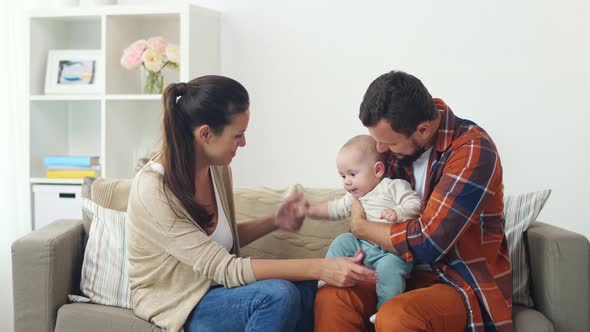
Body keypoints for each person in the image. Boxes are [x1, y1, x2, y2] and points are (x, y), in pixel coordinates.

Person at [125, 75, 378, 332]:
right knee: (277, 294)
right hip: (178, 302)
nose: (243, 143)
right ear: (205, 134)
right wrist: (320, 267)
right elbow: (225, 268)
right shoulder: (154, 191)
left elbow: (218, 242)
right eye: (238, 135)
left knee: (307, 289)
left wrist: (274, 221)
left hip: (216, 288)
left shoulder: (216, 168)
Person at [314, 71, 512, 332]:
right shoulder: (399, 146)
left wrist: (362, 228)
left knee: (397, 316)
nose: (381, 150)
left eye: (387, 142)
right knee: (333, 297)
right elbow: (364, 198)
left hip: (456, 280)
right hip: (394, 268)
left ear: (423, 129)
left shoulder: (472, 150)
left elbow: (428, 243)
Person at [306, 134, 421, 322]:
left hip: (391, 252)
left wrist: (398, 212)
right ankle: (327, 277)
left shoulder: (392, 186)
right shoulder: (354, 197)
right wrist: (310, 211)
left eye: (352, 174)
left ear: (378, 170)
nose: (346, 182)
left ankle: (384, 308)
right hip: (363, 246)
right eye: (342, 176)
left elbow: (414, 203)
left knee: (389, 269)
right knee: (343, 240)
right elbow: (335, 208)